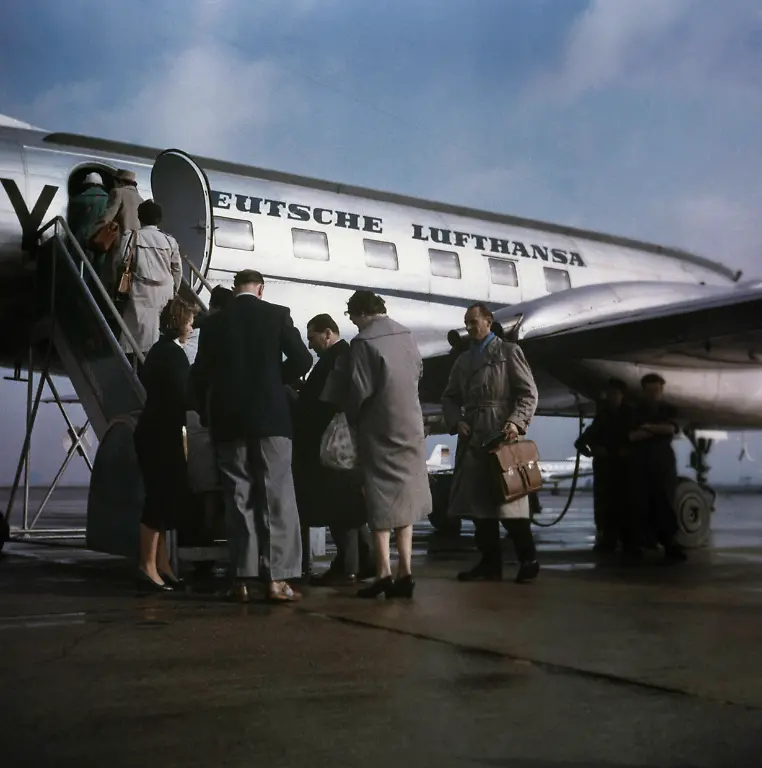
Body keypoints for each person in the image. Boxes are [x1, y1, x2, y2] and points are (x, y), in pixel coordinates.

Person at [190, 269, 313, 603]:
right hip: (271, 420)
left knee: (239, 497)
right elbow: (302, 359)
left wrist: (206, 411)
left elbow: (199, 375)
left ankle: (242, 579)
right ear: (261, 289)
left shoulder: (214, 324)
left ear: (234, 289)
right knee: (277, 498)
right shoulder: (277, 315)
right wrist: (274, 380)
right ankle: (277, 580)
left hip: (229, 421)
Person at [442, 302, 540, 584]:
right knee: (478, 506)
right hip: (473, 437)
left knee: (509, 501)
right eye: (467, 323)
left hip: (502, 435)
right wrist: (456, 421)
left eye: (474, 322)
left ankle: (528, 560)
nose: (470, 328)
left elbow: (528, 393)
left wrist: (515, 422)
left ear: (488, 321)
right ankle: (490, 564)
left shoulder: (509, 352)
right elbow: (449, 397)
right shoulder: (463, 361)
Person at [343, 290, 432, 599]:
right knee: (404, 501)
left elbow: (359, 390)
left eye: (352, 316)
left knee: (379, 502)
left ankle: (383, 573)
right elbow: (419, 372)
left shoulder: (363, 342)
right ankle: (405, 571)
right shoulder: (406, 335)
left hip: (378, 430)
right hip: (410, 426)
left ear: (361, 313)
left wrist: (348, 416)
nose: (353, 323)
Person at [292, 313, 372, 585]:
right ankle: (364, 559)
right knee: (351, 506)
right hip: (341, 445)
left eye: (312, 338)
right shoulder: (342, 356)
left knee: (339, 506)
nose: (310, 345)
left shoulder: (335, 359)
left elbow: (322, 404)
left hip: (330, 445)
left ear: (328, 333)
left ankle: (348, 564)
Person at [133, 298, 197, 592]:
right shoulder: (173, 354)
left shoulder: (159, 351)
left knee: (162, 496)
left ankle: (161, 564)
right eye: (190, 321)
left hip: (154, 430)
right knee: (159, 497)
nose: (191, 327)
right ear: (180, 322)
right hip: (162, 433)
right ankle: (147, 565)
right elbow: (185, 394)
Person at [628, 373, 687, 562]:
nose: (654, 393)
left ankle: (669, 542)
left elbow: (671, 429)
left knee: (666, 502)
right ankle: (642, 542)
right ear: (644, 391)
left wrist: (647, 428)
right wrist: (658, 430)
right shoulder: (635, 411)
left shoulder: (669, 409)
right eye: (650, 390)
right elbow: (632, 436)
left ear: (661, 390)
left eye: (656, 390)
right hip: (642, 463)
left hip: (662, 463)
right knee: (640, 503)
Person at [114, 199, 182, 361]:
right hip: (165, 290)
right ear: (159, 219)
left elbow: (119, 260)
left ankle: (136, 362)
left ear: (140, 217)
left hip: (141, 289)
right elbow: (177, 269)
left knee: (134, 331)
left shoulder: (132, 236)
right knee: (158, 327)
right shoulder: (169, 240)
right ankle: (155, 358)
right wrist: (174, 290)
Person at [575, 378, 635, 553]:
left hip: (624, 469)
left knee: (626, 505)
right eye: (609, 393)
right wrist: (592, 452)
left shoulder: (630, 416)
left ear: (622, 395)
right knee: (605, 506)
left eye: (614, 393)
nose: (611, 397)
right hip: (605, 469)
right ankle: (609, 539)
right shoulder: (603, 416)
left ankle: (628, 541)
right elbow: (582, 441)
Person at [92, 168, 143, 287]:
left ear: (119, 181)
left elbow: (107, 218)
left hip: (120, 244)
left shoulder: (118, 192)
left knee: (109, 279)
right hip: (135, 247)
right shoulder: (141, 200)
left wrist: (92, 234)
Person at [67, 172, 109, 272]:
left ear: (87, 185)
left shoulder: (77, 200)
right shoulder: (109, 199)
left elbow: (71, 220)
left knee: (80, 268)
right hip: (102, 238)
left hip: (81, 237)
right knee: (99, 268)